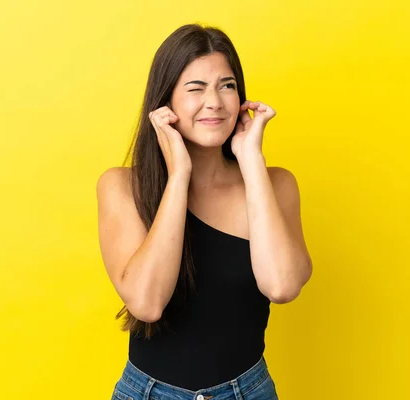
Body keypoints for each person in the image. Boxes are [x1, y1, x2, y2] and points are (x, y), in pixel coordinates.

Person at [97, 23, 313, 400]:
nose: (214, 101)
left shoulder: (276, 184)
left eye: (226, 85)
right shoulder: (122, 187)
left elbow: (282, 286)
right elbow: (147, 303)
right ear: (165, 103)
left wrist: (252, 162)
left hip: (249, 390)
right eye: (195, 88)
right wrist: (179, 174)